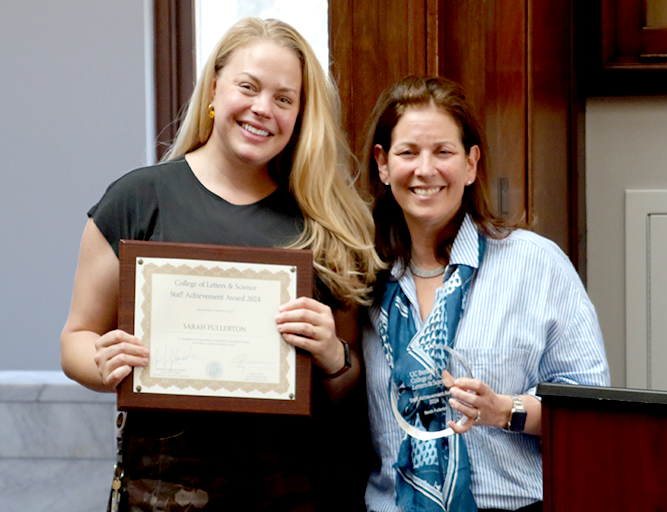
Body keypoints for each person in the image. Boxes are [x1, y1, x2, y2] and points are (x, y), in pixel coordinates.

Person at [60, 17, 381, 511]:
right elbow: (75, 340)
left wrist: (333, 356)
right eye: (248, 87)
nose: (262, 109)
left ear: (299, 115)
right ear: (214, 88)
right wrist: (103, 364)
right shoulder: (139, 199)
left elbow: (344, 388)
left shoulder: (327, 222)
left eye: (284, 98)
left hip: (289, 494)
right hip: (163, 493)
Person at [361, 76, 610, 512]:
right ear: (383, 164)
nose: (425, 169)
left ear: (471, 163)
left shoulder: (536, 264)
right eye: (408, 152)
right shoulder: (361, 278)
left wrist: (503, 410)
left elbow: (591, 412)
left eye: (443, 152)